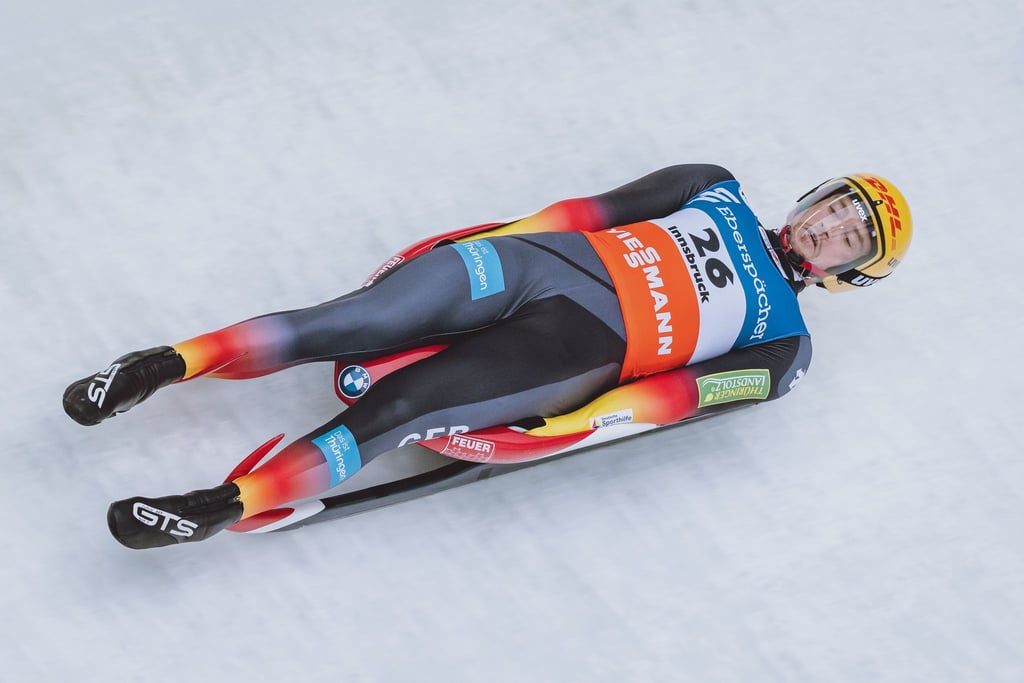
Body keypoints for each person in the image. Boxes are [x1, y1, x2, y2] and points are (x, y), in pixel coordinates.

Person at [63, 164, 913, 549]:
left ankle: (221, 502)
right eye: (836, 205)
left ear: (849, 272)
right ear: (814, 194)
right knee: (342, 319)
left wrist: (562, 425)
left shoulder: (785, 347)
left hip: (577, 348)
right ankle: (160, 365)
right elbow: (581, 210)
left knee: (397, 412)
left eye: (850, 237)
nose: (830, 225)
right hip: (537, 266)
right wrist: (482, 247)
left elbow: (673, 401)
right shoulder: (712, 184)